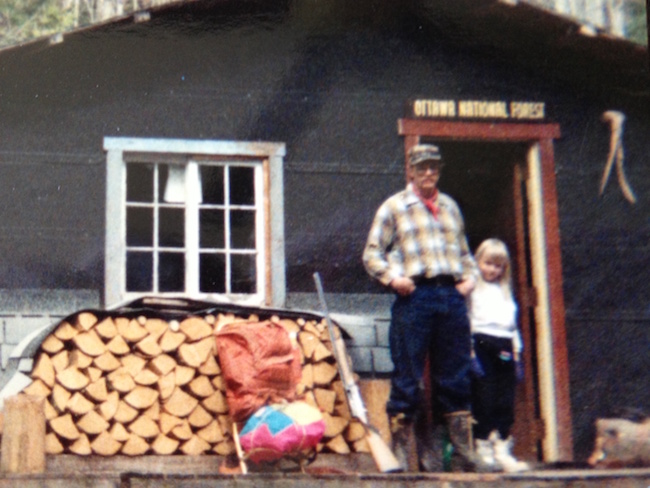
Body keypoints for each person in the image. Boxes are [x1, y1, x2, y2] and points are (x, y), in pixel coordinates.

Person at [362, 144, 482, 472]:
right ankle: (400, 453)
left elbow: (466, 255)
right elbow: (371, 255)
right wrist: (393, 279)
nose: (428, 173)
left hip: (451, 298)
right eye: (422, 167)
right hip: (414, 297)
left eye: (434, 167)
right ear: (411, 171)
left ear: (439, 170)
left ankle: (462, 452)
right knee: (408, 376)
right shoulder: (394, 207)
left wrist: (468, 282)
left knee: (456, 376)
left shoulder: (450, 207)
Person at [469, 238, 529, 472]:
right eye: (488, 264)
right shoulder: (473, 287)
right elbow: (466, 321)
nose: (492, 270)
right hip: (482, 343)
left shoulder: (505, 292)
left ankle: (502, 449)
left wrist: (516, 353)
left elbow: (511, 326)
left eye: (498, 266)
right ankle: (483, 450)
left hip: (504, 345)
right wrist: (471, 353)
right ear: (478, 262)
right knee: (485, 396)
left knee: (505, 399)